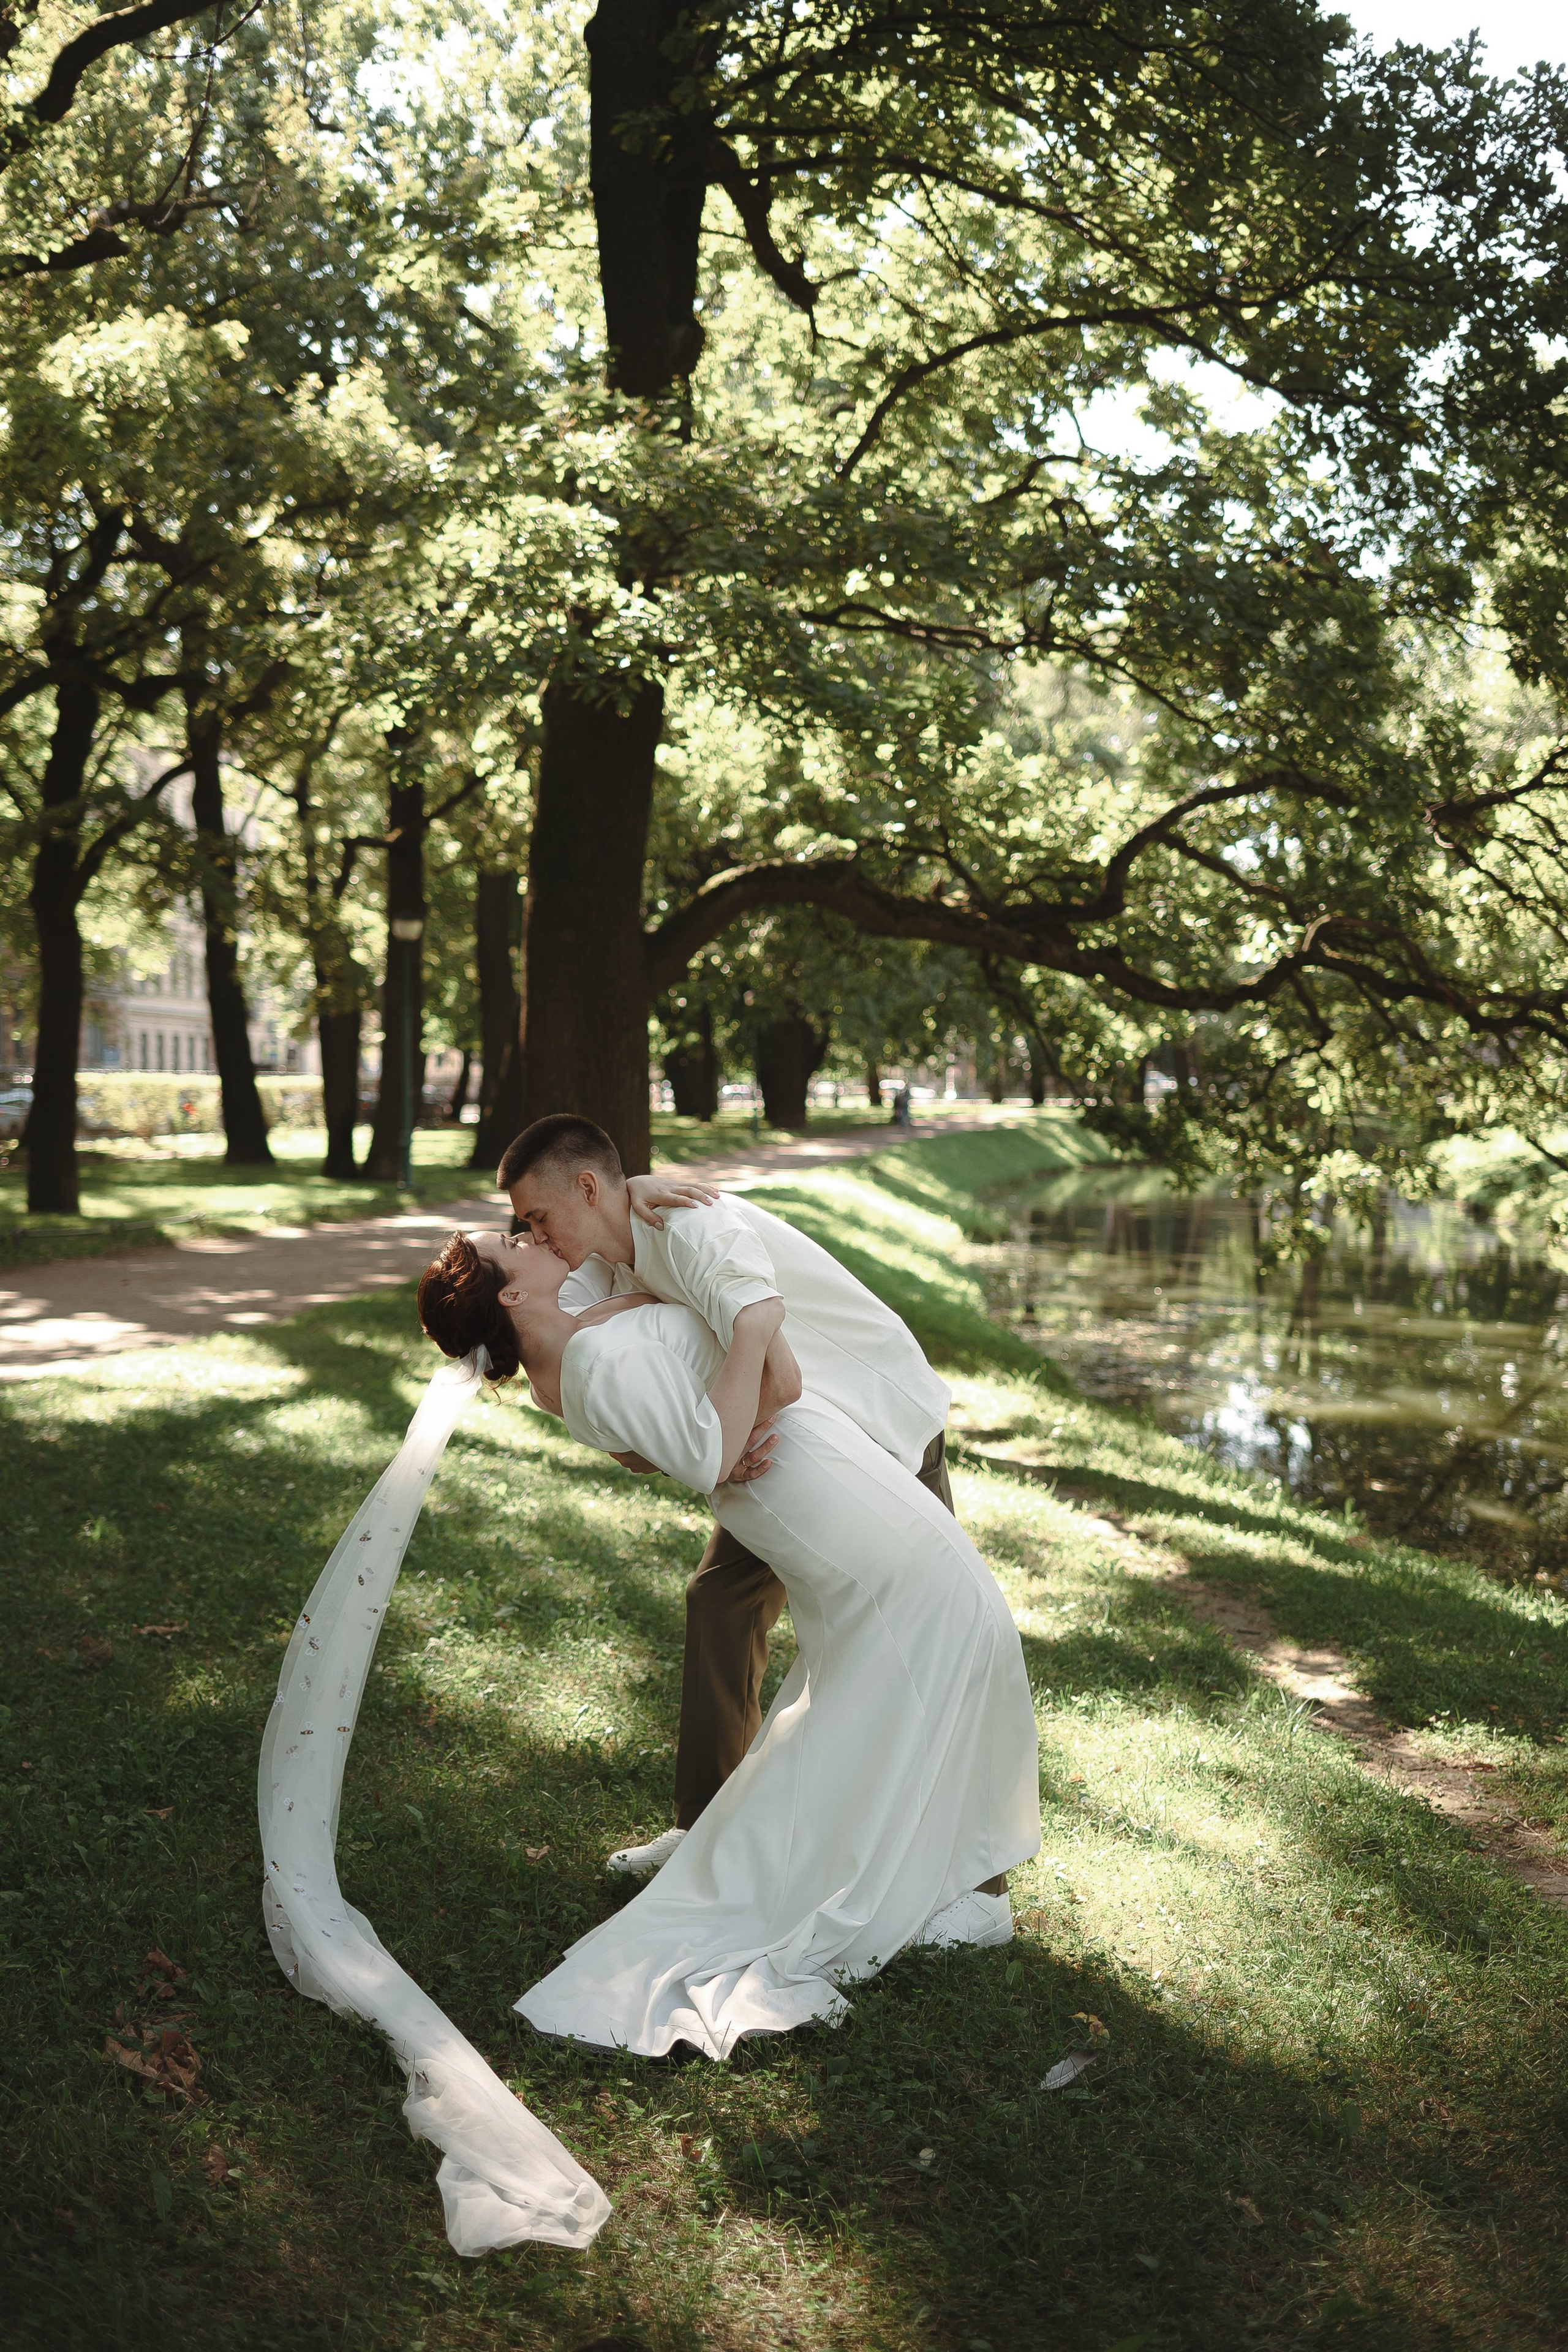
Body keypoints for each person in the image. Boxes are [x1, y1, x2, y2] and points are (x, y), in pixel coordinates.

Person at [417, 1230, 1041, 2059]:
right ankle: (953, 1889)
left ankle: (947, 1878)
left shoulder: (573, 1338)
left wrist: (701, 1412)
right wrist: (750, 1330)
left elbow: (657, 1433)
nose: (527, 1234)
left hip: (816, 1462)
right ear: (508, 1294)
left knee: (922, 1651)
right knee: (937, 1636)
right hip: (806, 1473)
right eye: (511, 1239)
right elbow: (727, 1429)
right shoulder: (584, 1359)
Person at [497, 1114, 957, 1873]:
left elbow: (779, 1378)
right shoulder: (599, 1259)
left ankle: (962, 1870)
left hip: (881, 1426)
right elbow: (590, 1395)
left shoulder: (691, 1230)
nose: (534, 1237)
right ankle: (702, 1831)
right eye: (524, 1227)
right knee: (721, 1602)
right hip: (791, 1450)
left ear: (586, 1188)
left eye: (539, 1218)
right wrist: (706, 1449)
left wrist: (716, 1449)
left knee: (930, 1630)